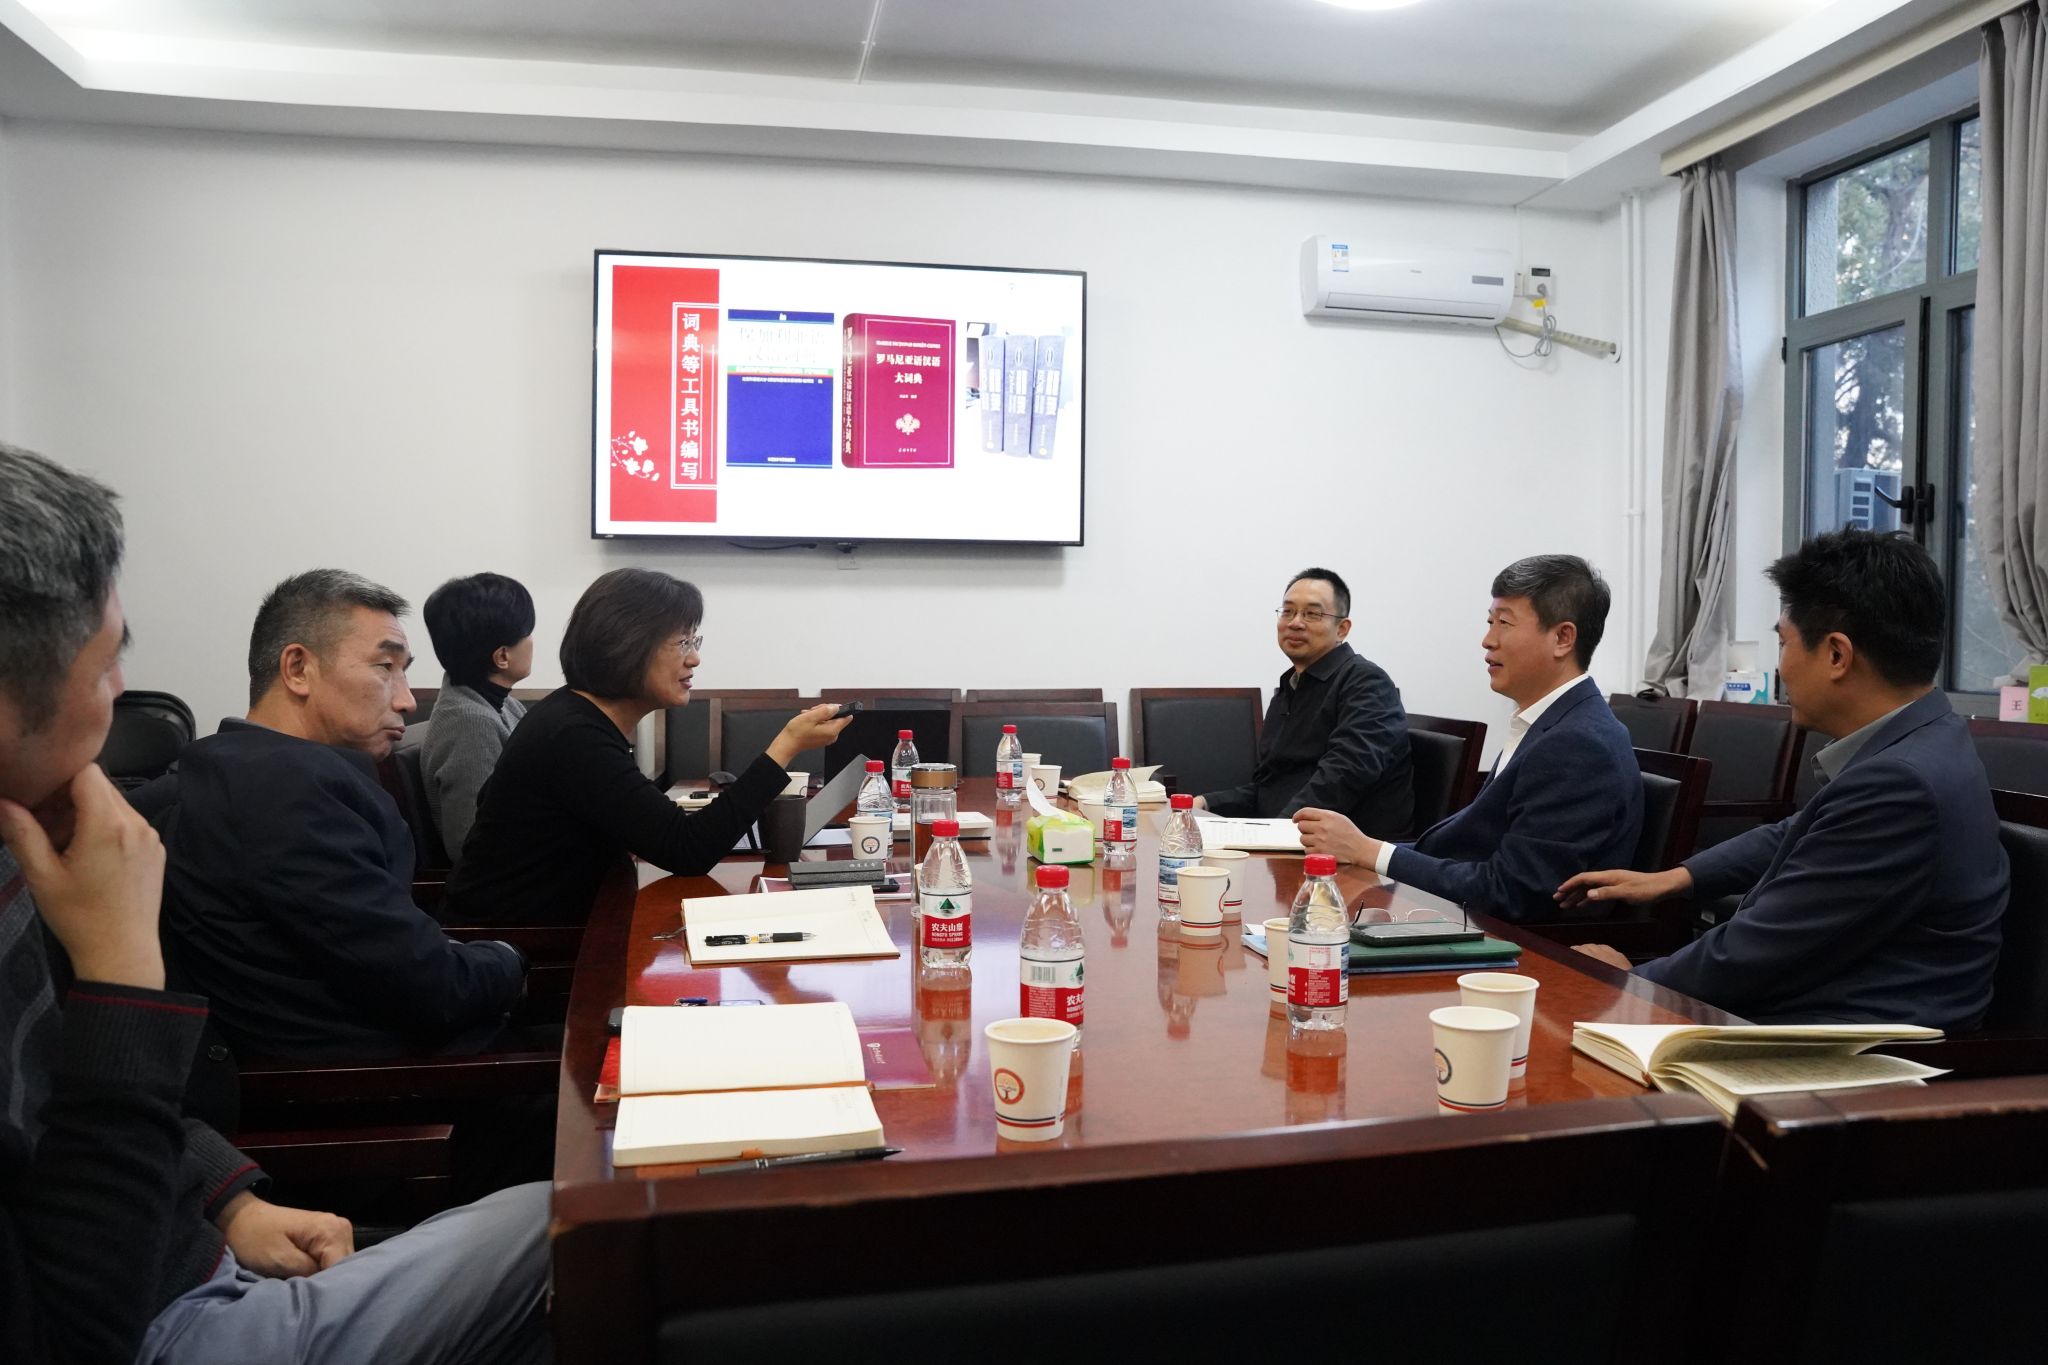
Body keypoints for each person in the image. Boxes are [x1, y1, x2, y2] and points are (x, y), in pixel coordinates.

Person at [0, 443, 550, 1365]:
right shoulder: (279, 793)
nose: (121, 698)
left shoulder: (32, 866)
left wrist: (228, 1199)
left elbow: (66, 1088)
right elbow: (77, 1330)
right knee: (581, 1221)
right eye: (101, 670)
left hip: (204, 1234)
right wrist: (121, 973)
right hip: (177, 1306)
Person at [1564, 530, 2007, 1029]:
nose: (1782, 668)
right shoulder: (1927, 736)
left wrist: (1629, 983)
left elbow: (1755, 952)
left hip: (1853, 1047)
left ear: (1837, 655)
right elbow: (1798, 831)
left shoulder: (1901, 784)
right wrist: (1678, 878)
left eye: (1783, 642)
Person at [142, 570, 526, 1060]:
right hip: (390, 1086)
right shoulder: (289, 794)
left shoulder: (232, 768)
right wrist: (510, 959)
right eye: (385, 667)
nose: (407, 700)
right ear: (298, 669)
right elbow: (434, 988)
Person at [444, 567, 850, 925]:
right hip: (521, 949)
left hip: (568, 927)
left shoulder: (577, 718)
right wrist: (786, 745)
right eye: (682, 643)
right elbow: (688, 849)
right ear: (626, 644)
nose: (694, 659)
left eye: (695, 641)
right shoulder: (572, 735)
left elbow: (665, 835)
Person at [1294, 554, 1640, 922]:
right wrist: (1359, 849)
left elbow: (1513, 892)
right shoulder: (1551, 723)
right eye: (1490, 622)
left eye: (1504, 623)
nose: (1487, 641)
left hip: (1514, 942)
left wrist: (1370, 852)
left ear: (1562, 638)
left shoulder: (1579, 744)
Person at [1196, 567, 1414, 835]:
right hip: (1287, 835)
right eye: (1288, 611)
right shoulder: (1290, 687)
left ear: (1342, 629)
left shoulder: (1367, 682)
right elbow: (1269, 788)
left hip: (1346, 849)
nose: (1295, 622)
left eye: (1312, 614)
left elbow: (1343, 776)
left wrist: (1273, 833)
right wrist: (1204, 803)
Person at [419, 571, 535, 862]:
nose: (532, 641)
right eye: (527, 632)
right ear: (502, 657)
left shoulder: (501, 704)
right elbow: (473, 845)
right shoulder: (470, 723)